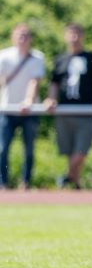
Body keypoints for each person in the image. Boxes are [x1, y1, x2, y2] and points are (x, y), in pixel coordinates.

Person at [44, 23, 92, 189]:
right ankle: (76, 182)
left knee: (81, 150)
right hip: (65, 111)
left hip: (85, 111)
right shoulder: (60, 59)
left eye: (77, 33)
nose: (74, 37)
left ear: (83, 36)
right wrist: (51, 99)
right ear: (65, 36)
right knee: (69, 150)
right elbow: (54, 83)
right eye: (71, 34)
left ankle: (67, 176)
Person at [0, 24, 46, 190]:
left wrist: (28, 101)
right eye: (19, 35)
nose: (22, 38)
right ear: (13, 37)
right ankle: (2, 182)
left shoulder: (37, 58)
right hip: (7, 109)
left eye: (26, 35)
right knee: (2, 148)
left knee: (29, 149)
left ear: (31, 39)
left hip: (29, 111)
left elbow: (35, 82)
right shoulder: (4, 56)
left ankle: (25, 182)